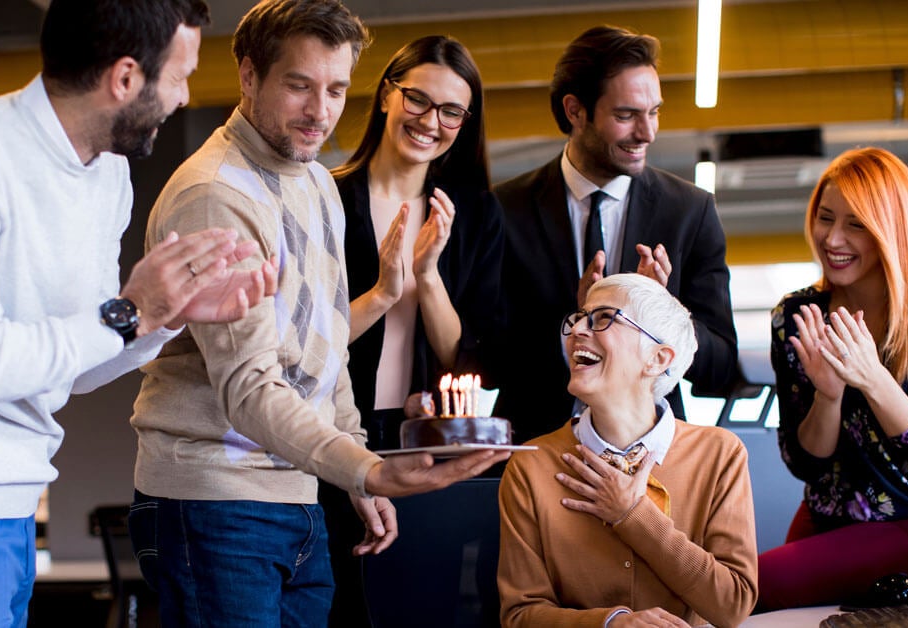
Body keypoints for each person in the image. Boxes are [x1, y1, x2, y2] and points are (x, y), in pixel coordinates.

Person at [0, 1, 279, 625]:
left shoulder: (108, 177)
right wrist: (130, 311)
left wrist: (166, 318)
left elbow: (64, 368)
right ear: (125, 79)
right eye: (179, 77)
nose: (183, 98)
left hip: (7, 504)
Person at [127, 2, 509, 626]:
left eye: (334, 90)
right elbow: (249, 387)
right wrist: (365, 469)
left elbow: (328, 353)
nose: (319, 111)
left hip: (297, 494)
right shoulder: (216, 195)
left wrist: (355, 472)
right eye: (298, 86)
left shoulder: (314, 183)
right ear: (248, 76)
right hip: (216, 502)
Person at [756, 147, 908, 611]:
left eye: (856, 223)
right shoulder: (797, 315)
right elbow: (806, 464)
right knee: (739, 588)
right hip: (830, 516)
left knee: (748, 585)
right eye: (825, 217)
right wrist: (829, 394)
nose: (833, 238)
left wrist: (872, 378)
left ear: (890, 228)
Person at [324, 34, 504, 626]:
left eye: (452, 111)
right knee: (340, 604)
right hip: (327, 436)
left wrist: (427, 276)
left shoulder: (473, 212)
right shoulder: (326, 197)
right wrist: (383, 288)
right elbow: (304, 344)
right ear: (384, 96)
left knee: (424, 607)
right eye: (418, 100)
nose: (432, 121)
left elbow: (466, 355)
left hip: (423, 442)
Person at [493, 25, 738, 443]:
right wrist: (574, 326)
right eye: (626, 116)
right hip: (533, 448)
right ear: (575, 111)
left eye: (654, 112)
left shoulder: (690, 211)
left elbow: (721, 369)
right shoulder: (504, 210)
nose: (647, 133)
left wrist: (662, 313)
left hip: (653, 457)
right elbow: (486, 358)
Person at [498, 273, 757, 627]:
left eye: (603, 318)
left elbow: (732, 606)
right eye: (578, 320)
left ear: (657, 358)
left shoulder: (720, 454)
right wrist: (612, 624)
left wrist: (633, 515)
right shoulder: (530, 464)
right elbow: (519, 615)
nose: (576, 332)